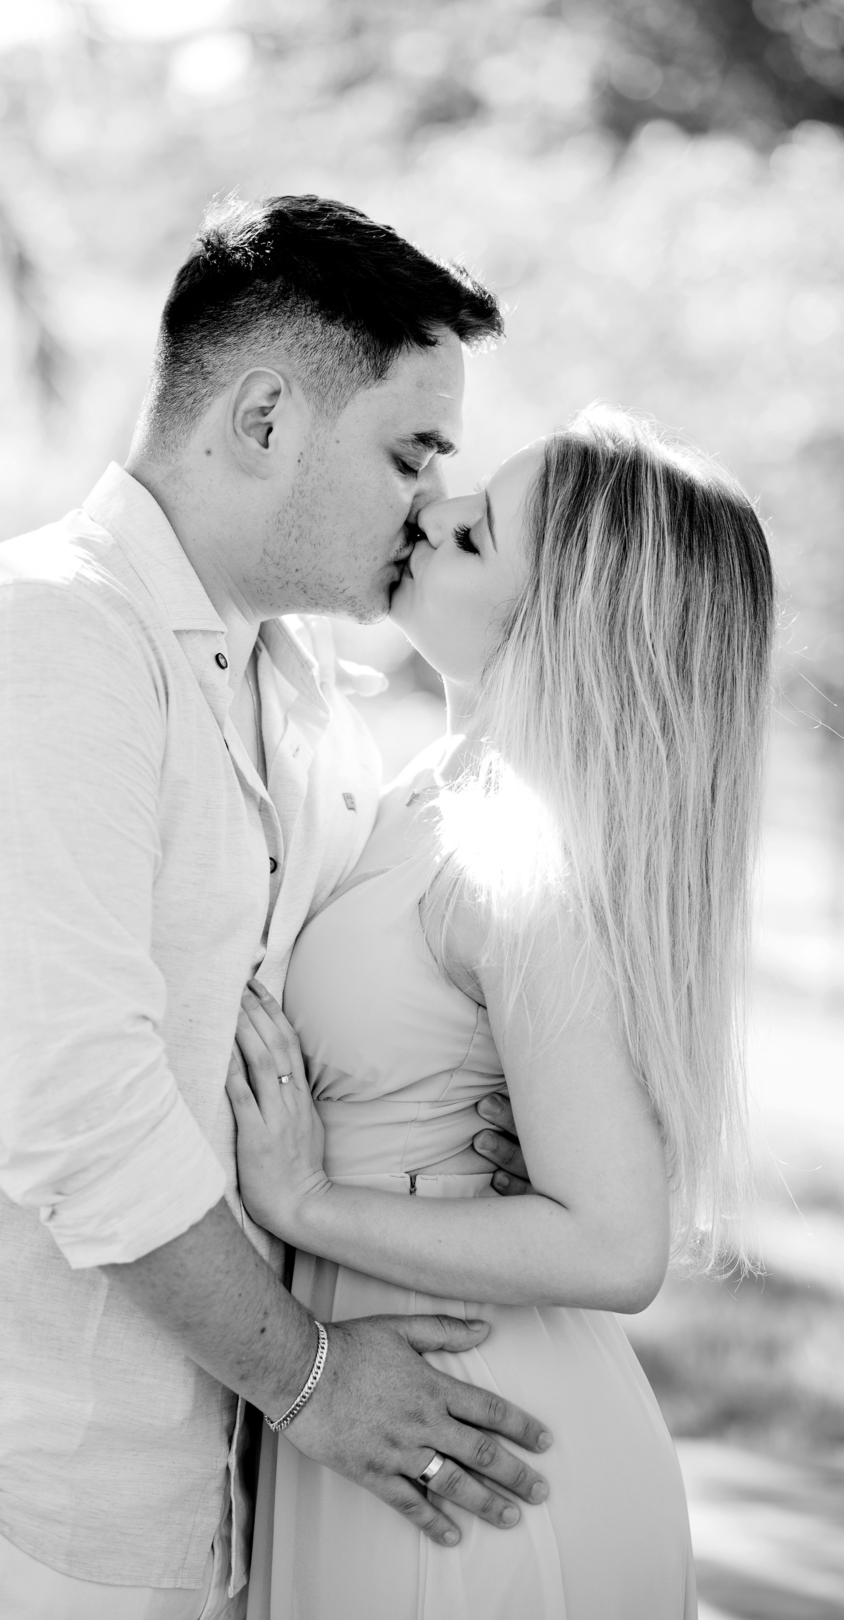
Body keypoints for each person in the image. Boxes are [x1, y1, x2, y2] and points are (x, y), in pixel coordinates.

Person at [0, 195, 552, 1620]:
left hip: (173, 1508)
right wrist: (314, 1381)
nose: (432, 503)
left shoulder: (301, 703)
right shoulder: (38, 641)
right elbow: (85, 1105)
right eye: (409, 452)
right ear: (265, 419)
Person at [229, 409, 776, 1619]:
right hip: (402, 1403)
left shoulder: (518, 861)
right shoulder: (435, 789)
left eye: (476, 536)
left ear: (563, 627)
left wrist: (306, 1202)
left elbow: (615, 1244)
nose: (431, 513)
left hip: (479, 1459)